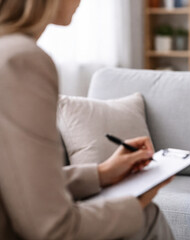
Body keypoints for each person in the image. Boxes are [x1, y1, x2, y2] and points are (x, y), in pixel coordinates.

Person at [0, 0, 174, 239]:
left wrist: (102, 173)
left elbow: (19, 184)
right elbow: (54, 228)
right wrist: (136, 204)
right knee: (147, 217)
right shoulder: (22, 59)